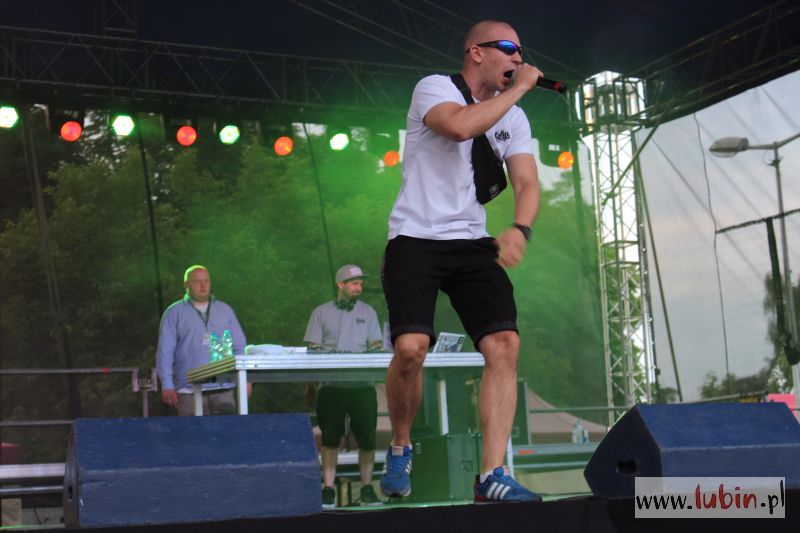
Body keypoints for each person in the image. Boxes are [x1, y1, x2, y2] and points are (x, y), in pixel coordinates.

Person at [380, 20, 543, 503]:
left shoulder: (514, 118)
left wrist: (520, 228)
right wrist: (521, 89)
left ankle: (491, 474)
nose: (518, 58)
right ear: (476, 52)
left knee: (505, 344)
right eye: (508, 48)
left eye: (521, 52)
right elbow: (460, 126)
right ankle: (400, 445)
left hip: (471, 240)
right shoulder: (434, 88)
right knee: (411, 348)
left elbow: (527, 182)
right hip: (415, 237)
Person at [304, 264, 384, 508]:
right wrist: (310, 385)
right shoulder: (321, 312)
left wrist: (374, 349)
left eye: (361, 284)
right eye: (354, 283)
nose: (359, 288)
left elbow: (377, 344)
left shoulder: (368, 312)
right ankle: (328, 490)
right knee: (330, 439)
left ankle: (367, 489)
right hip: (331, 386)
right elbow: (311, 350)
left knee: (367, 439)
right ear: (341, 284)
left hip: (362, 385)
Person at [156, 265, 247, 416]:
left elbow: (240, 346)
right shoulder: (174, 312)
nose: (203, 285)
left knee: (226, 430)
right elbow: (165, 351)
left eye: (206, 280)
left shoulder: (225, 310)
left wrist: (246, 379)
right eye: (197, 281)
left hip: (223, 387)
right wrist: (167, 384)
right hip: (188, 389)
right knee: (192, 431)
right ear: (186, 284)